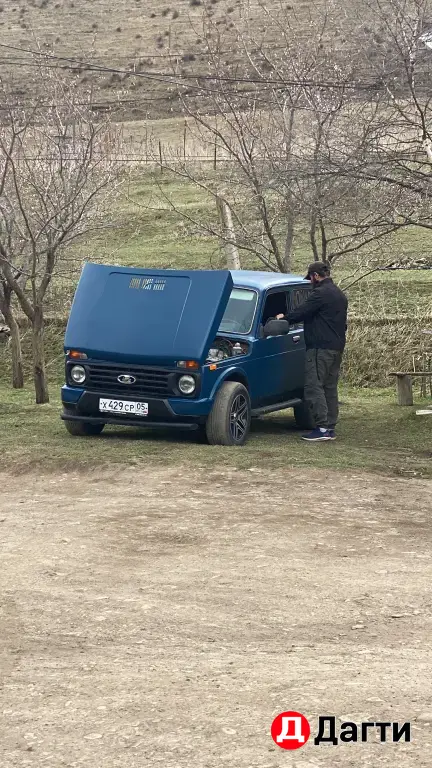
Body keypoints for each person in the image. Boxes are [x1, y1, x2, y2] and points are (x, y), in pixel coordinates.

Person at [277, 261, 348, 442]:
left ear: (316, 276)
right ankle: (329, 426)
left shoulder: (320, 294)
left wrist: (283, 318)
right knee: (329, 387)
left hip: (320, 348)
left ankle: (322, 427)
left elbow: (301, 312)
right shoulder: (339, 294)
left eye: (310, 278)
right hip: (336, 347)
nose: (310, 282)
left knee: (314, 386)